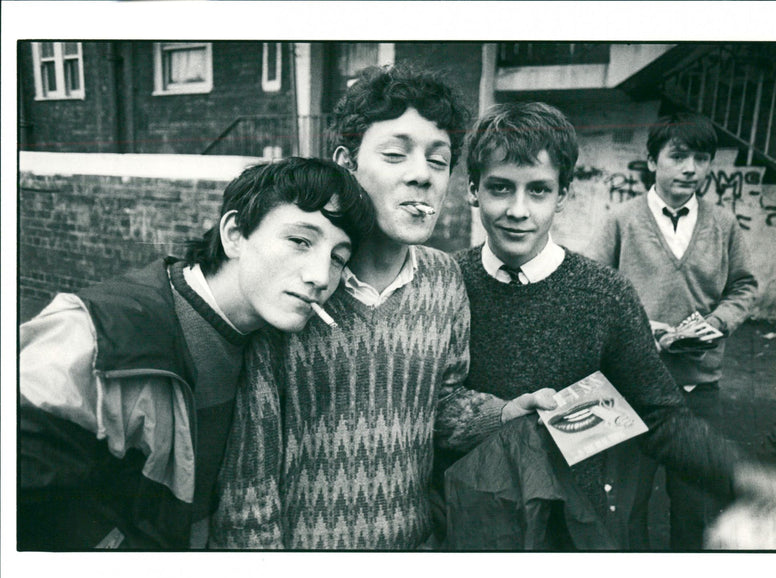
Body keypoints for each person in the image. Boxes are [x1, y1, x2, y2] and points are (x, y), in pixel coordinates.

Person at [212, 65, 555, 550]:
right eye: (395, 154)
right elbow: (250, 484)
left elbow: (440, 406)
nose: (422, 175)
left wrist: (503, 414)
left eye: (439, 162)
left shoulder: (444, 278)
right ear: (346, 163)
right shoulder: (293, 291)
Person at [440, 102, 772, 550]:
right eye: (501, 188)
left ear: (562, 195)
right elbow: (425, 406)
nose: (518, 210)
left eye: (538, 190)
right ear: (473, 189)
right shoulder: (442, 283)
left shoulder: (605, 293)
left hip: (574, 526)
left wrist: (743, 475)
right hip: (469, 522)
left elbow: (660, 414)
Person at [18, 157, 373, 550]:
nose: (320, 276)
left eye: (338, 258)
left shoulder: (273, 345)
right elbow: (27, 491)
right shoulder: (95, 334)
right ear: (235, 234)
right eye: (299, 241)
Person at [586, 112, 758, 550]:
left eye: (701, 159)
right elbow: (591, 291)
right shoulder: (621, 220)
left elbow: (744, 286)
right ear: (651, 160)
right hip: (633, 388)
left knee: (695, 508)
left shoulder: (723, 225)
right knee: (626, 507)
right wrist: (640, 326)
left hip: (700, 388)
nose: (690, 169)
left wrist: (716, 323)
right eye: (678, 157)